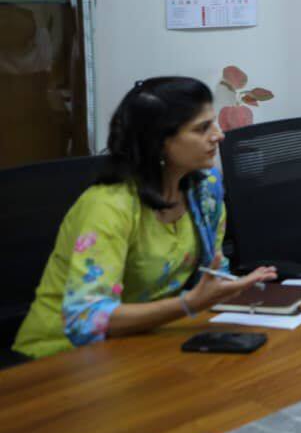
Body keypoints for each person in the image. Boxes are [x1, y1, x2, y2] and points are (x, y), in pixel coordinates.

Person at [12, 77, 275, 359]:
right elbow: (85, 319)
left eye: (213, 123)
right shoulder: (108, 206)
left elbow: (212, 275)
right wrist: (188, 304)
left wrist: (236, 290)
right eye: (202, 128)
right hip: (61, 355)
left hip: (144, 341)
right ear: (158, 142)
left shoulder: (205, 189)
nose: (219, 135)